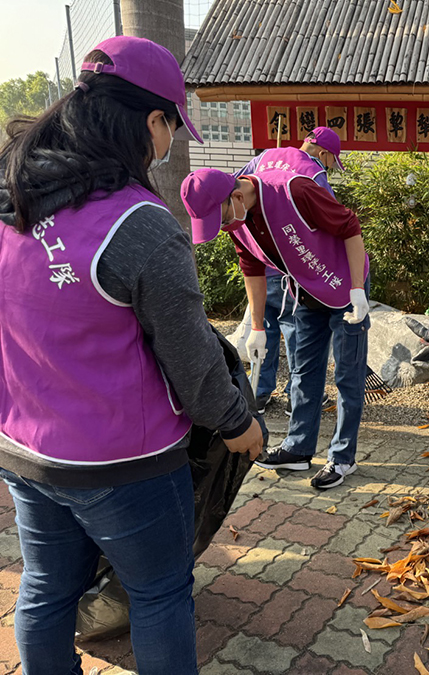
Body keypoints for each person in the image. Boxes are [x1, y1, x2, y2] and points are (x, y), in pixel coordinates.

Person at [0, 36, 263, 674]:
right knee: (159, 594)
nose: (170, 142)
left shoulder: (12, 200)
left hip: (25, 449)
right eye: (172, 126)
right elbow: (190, 357)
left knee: (46, 588)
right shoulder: (136, 222)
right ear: (151, 121)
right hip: (125, 464)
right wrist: (237, 422)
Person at [182, 146, 370, 490]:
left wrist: (358, 289)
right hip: (307, 291)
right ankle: (299, 449)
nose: (223, 227)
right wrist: (257, 327)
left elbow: (350, 225)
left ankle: (343, 457)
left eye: (220, 219)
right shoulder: (237, 220)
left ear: (237, 196)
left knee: (347, 375)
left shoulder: (294, 190)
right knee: (304, 372)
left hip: (344, 285)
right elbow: (251, 268)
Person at [238, 127, 345, 414]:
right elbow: (331, 223)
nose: (331, 167)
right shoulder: (313, 172)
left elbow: (235, 192)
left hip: (258, 261)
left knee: (264, 329)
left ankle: (258, 393)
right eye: (333, 161)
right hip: (291, 268)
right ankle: (296, 395)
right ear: (324, 153)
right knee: (298, 332)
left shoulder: (264, 157)